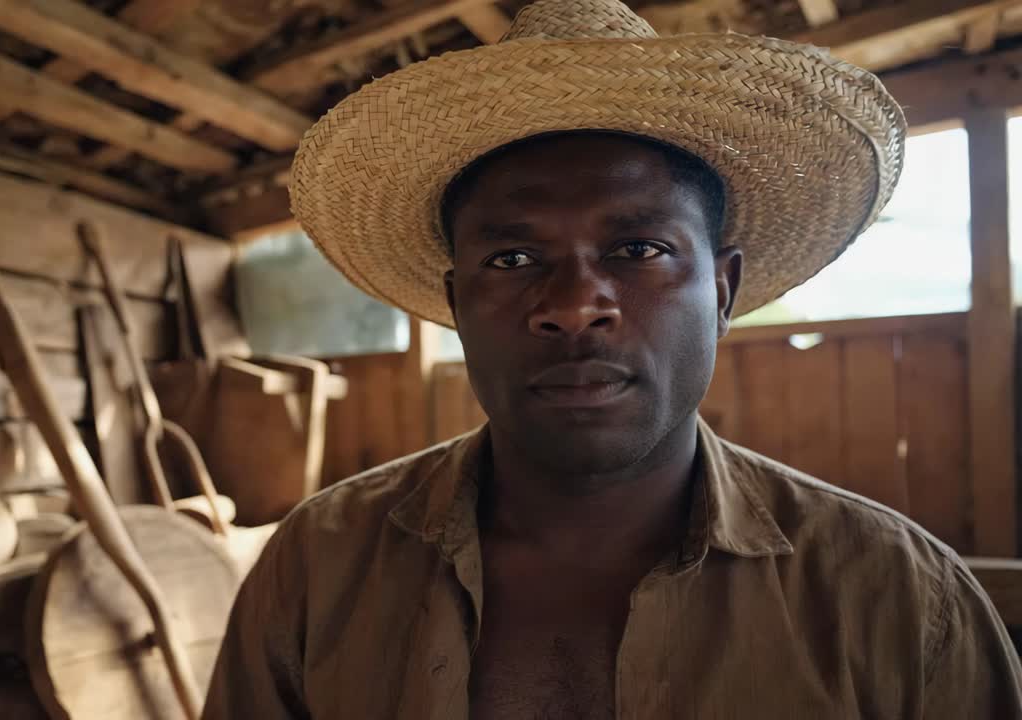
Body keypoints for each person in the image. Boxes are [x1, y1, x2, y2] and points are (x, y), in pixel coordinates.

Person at [203, 1, 1022, 717]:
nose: (571, 305)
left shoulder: (902, 602)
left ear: (725, 290)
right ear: (456, 306)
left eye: (637, 246)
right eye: (513, 260)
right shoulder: (318, 566)